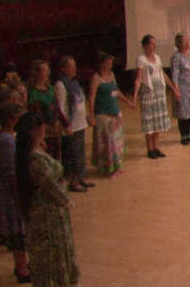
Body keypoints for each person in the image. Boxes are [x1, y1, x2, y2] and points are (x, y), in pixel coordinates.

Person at [14, 112, 86, 287]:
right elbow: (50, 185)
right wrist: (67, 201)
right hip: (47, 214)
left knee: (52, 253)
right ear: (35, 131)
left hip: (47, 212)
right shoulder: (34, 159)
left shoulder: (32, 152)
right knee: (55, 254)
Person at [0, 103, 29, 283]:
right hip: (8, 191)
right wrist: (22, 195)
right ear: (11, 120)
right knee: (17, 228)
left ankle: (22, 264)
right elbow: (12, 172)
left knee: (18, 227)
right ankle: (22, 269)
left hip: (1, 186)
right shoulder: (6, 140)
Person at [88, 52, 133, 179]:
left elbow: (116, 90)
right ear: (101, 65)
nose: (110, 66)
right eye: (108, 64)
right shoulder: (96, 79)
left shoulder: (112, 75)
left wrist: (127, 101)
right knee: (108, 143)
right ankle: (110, 168)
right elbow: (91, 98)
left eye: (111, 63)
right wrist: (91, 115)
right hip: (103, 115)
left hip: (115, 113)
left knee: (116, 142)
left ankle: (117, 167)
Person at [133, 35, 179, 158]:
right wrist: (134, 98)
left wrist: (174, 89)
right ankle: (149, 149)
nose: (155, 46)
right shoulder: (141, 59)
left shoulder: (157, 58)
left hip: (159, 92)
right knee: (149, 121)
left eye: (155, 43)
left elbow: (163, 75)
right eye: (152, 44)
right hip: (148, 93)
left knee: (157, 120)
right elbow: (138, 79)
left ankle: (156, 147)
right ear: (146, 45)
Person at [53, 57, 93, 192]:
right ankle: (73, 181)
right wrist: (66, 125)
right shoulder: (60, 85)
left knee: (80, 153)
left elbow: (80, 102)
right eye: (71, 66)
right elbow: (59, 107)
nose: (74, 69)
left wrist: (87, 116)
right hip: (70, 126)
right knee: (72, 155)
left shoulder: (74, 82)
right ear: (63, 69)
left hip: (80, 124)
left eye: (75, 66)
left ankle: (81, 178)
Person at [26, 60, 72, 161]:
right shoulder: (33, 92)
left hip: (55, 128)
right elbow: (34, 114)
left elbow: (57, 108)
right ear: (36, 73)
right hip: (43, 130)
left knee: (58, 156)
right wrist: (39, 136)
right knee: (47, 157)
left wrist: (66, 124)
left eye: (48, 70)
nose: (47, 73)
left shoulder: (50, 88)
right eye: (44, 71)